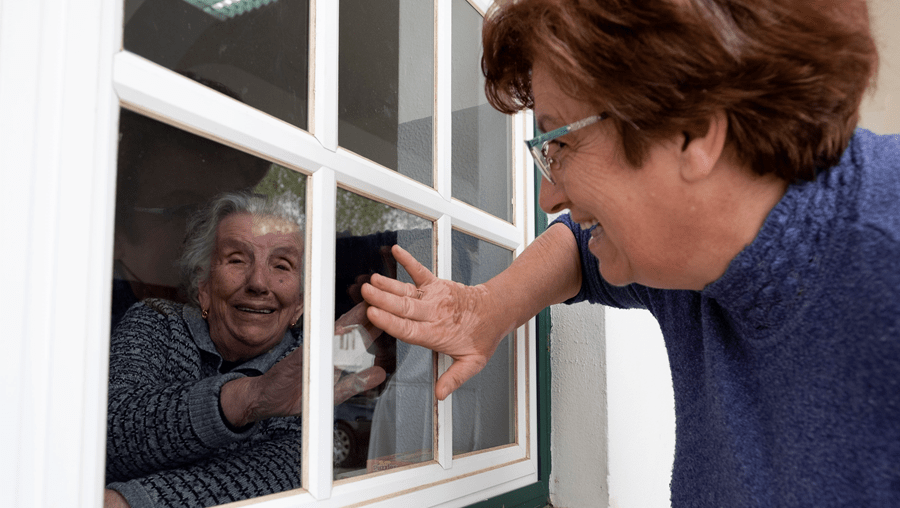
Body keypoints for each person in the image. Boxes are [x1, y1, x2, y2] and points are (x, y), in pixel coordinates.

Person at [361, 0, 900, 506]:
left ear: (690, 130)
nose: (549, 197)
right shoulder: (690, 247)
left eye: (562, 143)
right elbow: (576, 248)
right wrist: (486, 310)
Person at [105, 191, 386, 508]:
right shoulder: (156, 322)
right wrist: (251, 397)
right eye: (237, 259)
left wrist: (126, 501)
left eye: (281, 265)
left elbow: (289, 470)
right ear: (204, 286)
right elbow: (110, 435)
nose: (258, 283)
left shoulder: (308, 365)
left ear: (300, 303)